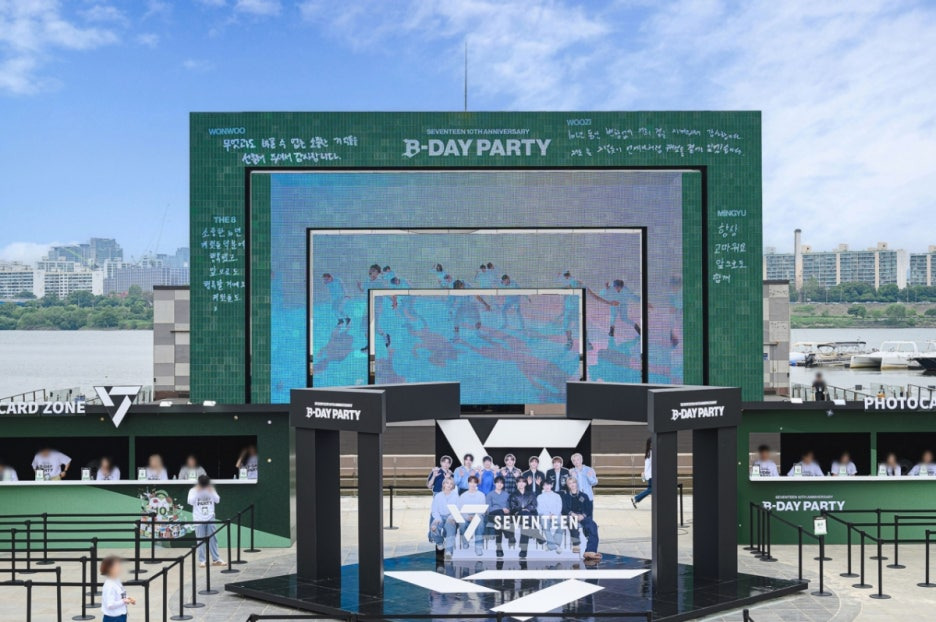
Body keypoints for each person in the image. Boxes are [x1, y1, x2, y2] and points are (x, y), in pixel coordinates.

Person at [188, 475, 224, 567]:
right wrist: (198, 491)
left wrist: (211, 491)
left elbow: (217, 500)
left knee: (213, 539)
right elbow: (190, 502)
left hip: (210, 517)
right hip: (198, 518)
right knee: (200, 540)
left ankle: (216, 559)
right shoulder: (193, 490)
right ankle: (202, 560)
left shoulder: (211, 489)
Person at [563, 476, 601, 562]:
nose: (572, 485)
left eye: (573, 482)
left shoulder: (584, 496)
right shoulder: (565, 496)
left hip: (582, 516)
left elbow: (589, 508)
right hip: (571, 516)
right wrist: (572, 514)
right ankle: (576, 544)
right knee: (571, 521)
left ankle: (590, 551)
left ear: (576, 483)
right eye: (570, 483)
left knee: (593, 525)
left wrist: (583, 516)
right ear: (568, 485)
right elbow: (564, 508)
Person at [454, 476, 486, 555]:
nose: (472, 484)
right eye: (471, 482)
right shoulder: (463, 496)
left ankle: (478, 547)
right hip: (466, 515)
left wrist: (475, 516)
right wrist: (466, 516)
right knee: (462, 523)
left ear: (477, 484)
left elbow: (482, 509)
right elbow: (460, 509)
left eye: (474, 482)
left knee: (480, 522)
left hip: (477, 515)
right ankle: (465, 541)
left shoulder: (481, 495)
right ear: (468, 483)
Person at [508, 477, 537, 558]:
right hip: (517, 515)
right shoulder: (513, 494)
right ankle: (535, 532)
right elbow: (513, 507)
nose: (521, 483)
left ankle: (523, 550)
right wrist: (522, 509)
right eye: (519, 482)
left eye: (523, 482)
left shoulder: (531, 494)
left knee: (526, 524)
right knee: (525, 517)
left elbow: (534, 505)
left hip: (528, 516)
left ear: (525, 483)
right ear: (516, 483)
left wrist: (527, 509)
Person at [484, 475, 514, 557]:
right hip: (492, 515)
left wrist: (507, 510)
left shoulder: (507, 494)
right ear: (494, 484)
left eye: (501, 483)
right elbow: (489, 508)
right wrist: (501, 509)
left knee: (499, 524)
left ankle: (499, 549)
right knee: (499, 514)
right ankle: (508, 534)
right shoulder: (490, 494)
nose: (499, 484)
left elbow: (509, 507)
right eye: (497, 483)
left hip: (502, 517)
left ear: (503, 484)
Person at [429, 477, 459, 558]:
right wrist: (437, 519)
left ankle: (449, 550)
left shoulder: (456, 496)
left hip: (450, 516)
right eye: (447, 483)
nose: (449, 485)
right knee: (434, 527)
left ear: (453, 486)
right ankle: (439, 542)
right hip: (439, 516)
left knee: (450, 528)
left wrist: (452, 517)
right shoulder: (438, 496)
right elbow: (434, 510)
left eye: (451, 484)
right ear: (444, 484)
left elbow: (457, 509)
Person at [100, 556, 135, 622]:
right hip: (114, 618)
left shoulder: (116, 580)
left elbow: (121, 593)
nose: (119, 568)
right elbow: (110, 605)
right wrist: (124, 601)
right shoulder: (110, 585)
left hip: (120, 616)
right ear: (110, 569)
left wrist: (129, 598)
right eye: (117, 567)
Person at [536, 479, 564, 552]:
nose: (547, 487)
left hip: (556, 515)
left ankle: (552, 545)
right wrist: (548, 515)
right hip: (544, 516)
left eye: (548, 484)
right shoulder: (540, 497)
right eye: (544, 485)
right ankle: (554, 546)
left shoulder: (557, 496)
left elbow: (559, 507)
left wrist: (554, 514)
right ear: (542, 487)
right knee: (545, 525)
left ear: (551, 485)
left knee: (562, 524)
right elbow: (539, 509)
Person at [632, 438, 653, 507]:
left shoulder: (648, 452)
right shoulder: (651, 453)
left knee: (650, 489)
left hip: (649, 474)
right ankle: (636, 498)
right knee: (651, 489)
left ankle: (636, 499)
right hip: (651, 475)